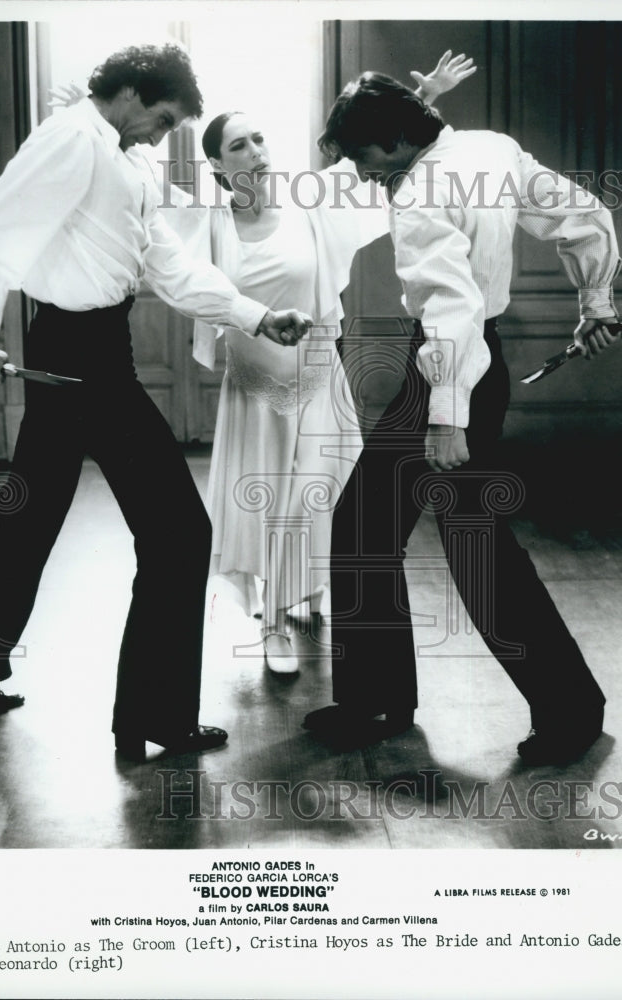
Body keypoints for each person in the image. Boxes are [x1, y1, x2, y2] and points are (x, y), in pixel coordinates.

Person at [0, 43, 311, 763]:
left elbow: (165, 261)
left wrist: (253, 314)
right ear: (133, 94)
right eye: (163, 120)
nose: (162, 136)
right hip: (79, 358)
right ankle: (157, 717)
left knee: (30, 508)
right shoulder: (73, 139)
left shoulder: (125, 156)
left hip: (95, 346)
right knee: (179, 532)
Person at [304, 71, 622, 765]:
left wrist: (448, 420)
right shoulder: (491, 148)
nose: (360, 174)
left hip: (449, 375)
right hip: (481, 365)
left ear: (393, 143)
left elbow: (450, 313)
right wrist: (594, 298)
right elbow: (585, 215)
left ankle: (567, 711)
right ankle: (377, 699)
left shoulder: (418, 195)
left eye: (364, 157)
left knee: (472, 547)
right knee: (368, 525)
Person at [158, 52, 476, 674]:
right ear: (219, 166)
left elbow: (382, 157)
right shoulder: (210, 221)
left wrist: (427, 98)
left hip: (320, 378)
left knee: (324, 495)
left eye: (260, 138)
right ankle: (272, 624)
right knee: (270, 500)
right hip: (256, 388)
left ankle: (306, 592)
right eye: (239, 145)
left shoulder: (312, 201)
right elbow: (154, 218)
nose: (256, 150)